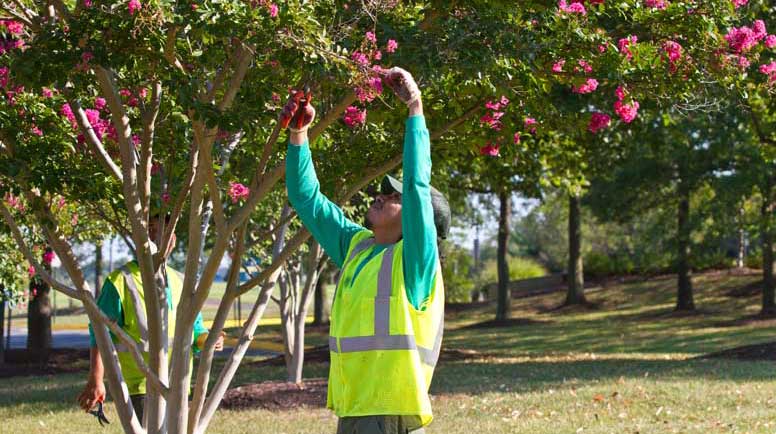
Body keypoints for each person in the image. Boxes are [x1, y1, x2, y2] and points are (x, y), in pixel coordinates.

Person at [282, 67, 449, 434]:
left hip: (389, 414)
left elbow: (418, 187)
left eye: (394, 197)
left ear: (417, 222)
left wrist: (415, 106)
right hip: (356, 409)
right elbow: (305, 199)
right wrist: (298, 134)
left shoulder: (417, 263)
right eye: (386, 192)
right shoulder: (358, 247)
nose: (382, 196)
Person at [76, 216, 224, 422]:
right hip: (141, 385)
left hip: (178, 383)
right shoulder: (120, 281)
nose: (156, 236)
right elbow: (100, 333)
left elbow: (196, 329)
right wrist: (96, 378)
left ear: (172, 238)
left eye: (164, 230)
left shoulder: (181, 280)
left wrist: (208, 339)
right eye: (151, 229)